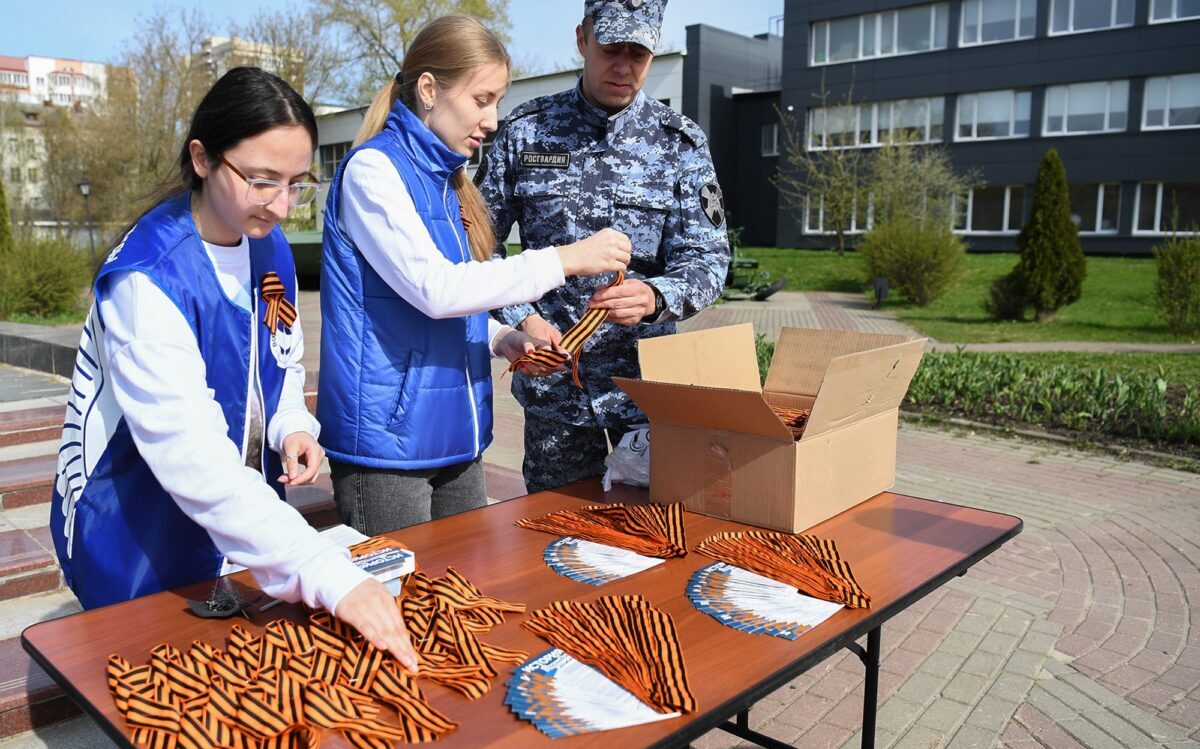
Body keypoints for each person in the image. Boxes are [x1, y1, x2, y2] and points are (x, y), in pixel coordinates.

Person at [50, 67, 418, 672]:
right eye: (261, 180)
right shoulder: (148, 280)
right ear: (202, 157)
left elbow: (281, 355)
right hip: (139, 525)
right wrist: (327, 573)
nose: (281, 205)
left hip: (236, 522)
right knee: (158, 695)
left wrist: (290, 424)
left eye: (298, 183)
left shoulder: (266, 242)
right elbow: (192, 456)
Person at [317, 15, 631, 536]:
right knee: (399, 607)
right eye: (482, 99)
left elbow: (437, 304)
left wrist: (499, 336)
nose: (491, 120)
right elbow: (436, 291)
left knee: (466, 601)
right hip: (389, 450)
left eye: (499, 103)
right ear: (428, 90)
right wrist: (566, 259)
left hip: (459, 437)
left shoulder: (450, 184)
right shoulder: (373, 173)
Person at [477, 0, 731, 494]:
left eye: (638, 53)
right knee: (552, 532)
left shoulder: (678, 144)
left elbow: (708, 260)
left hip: (648, 396)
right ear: (582, 40)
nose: (624, 67)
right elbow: (478, 247)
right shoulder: (527, 132)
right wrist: (523, 317)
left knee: (655, 536)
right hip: (556, 393)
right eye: (612, 48)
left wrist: (656, 297)